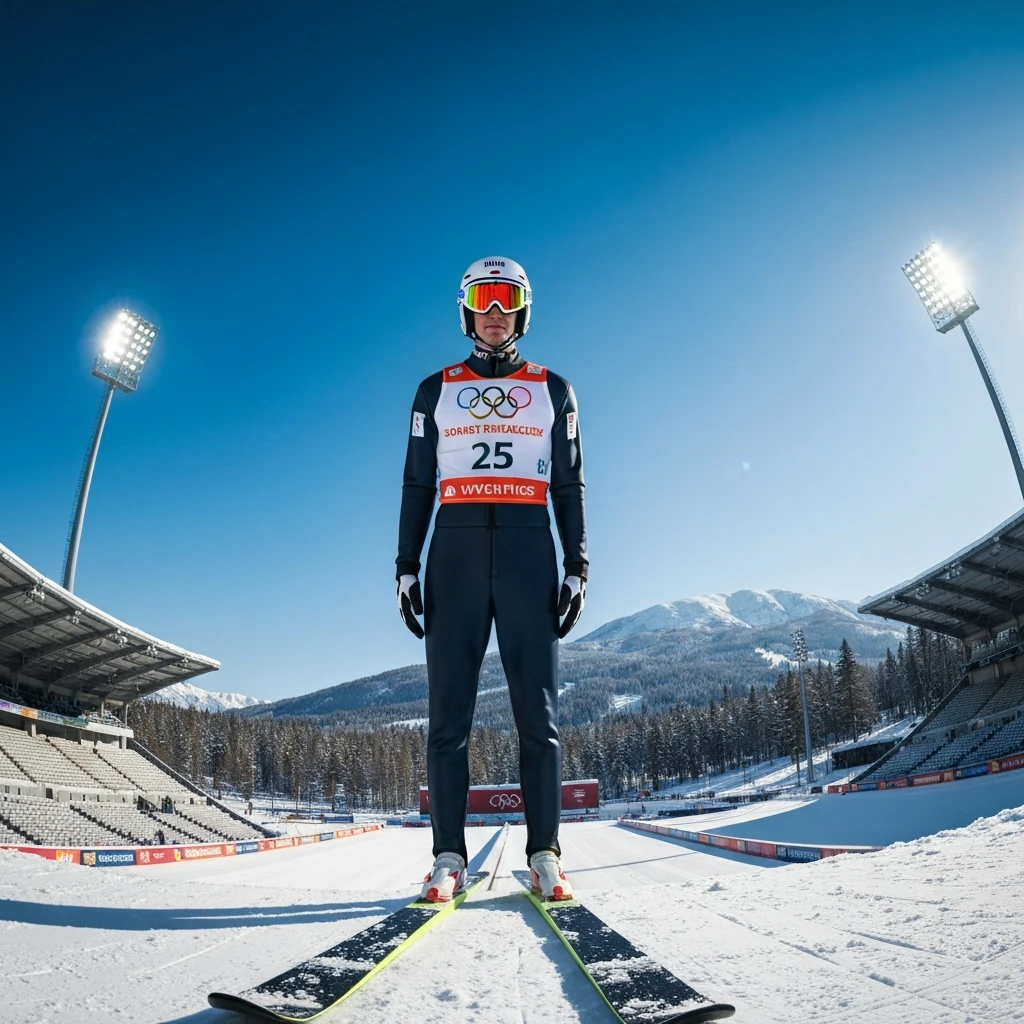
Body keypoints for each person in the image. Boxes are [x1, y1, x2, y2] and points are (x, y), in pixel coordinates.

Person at [396, 256, 587, 903]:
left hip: (531, 553)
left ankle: (544, 855)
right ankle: (448, 855)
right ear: (467, 309)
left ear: (523, 310)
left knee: (540, 718)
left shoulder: (553, 388)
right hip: (454, 558)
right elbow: (418, 482)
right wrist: (404, 566)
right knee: (448, 720)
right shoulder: (435, 389)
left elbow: (568, 482)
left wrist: (577, 564)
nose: (496, 311)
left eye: (508, 298)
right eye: (485, 297)